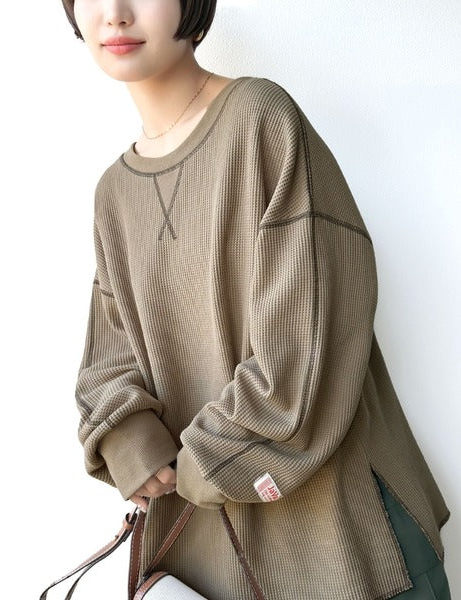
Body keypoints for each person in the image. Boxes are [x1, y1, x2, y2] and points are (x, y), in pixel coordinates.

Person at [61, 1, 451, 598]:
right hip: (207, 561)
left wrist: (202, 459)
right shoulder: (113, 193)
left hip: (339, 543)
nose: (114, 13)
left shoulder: (261, 119)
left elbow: (308, 346)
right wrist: (131, 442)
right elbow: (108, 358)